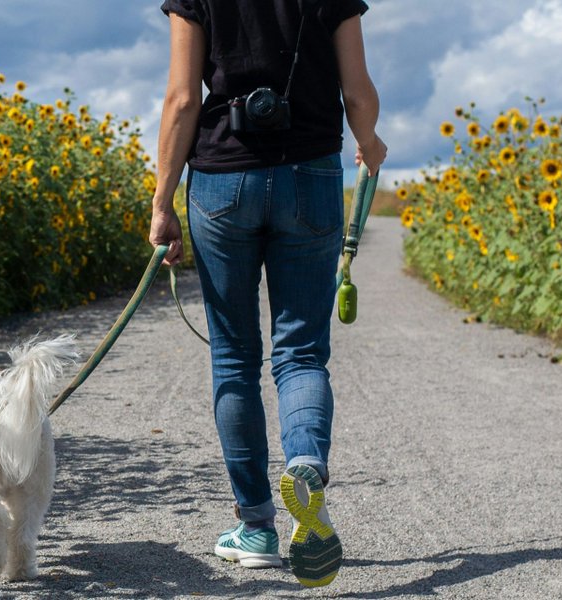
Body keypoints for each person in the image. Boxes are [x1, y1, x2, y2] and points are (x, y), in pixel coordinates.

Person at [150, 0, 386, 588]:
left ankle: (256, 528)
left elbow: (182, 98)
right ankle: (305, 462)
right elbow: (356, 91)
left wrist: (162, 201)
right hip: (311, 173)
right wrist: (370, 140)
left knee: (233, 357)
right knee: (301, 352)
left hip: (222, 177)